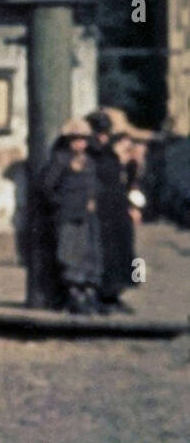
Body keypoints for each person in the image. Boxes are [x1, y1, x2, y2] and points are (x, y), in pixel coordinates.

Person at [40, 118, 101, 315]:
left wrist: (92, 199)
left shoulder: (90, 162)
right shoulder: (60, 160)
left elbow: (93, 184)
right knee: (69, 254)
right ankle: (72, 295)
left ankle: (87, 292)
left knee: (87, 253)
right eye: (75, 139)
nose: (79, 144)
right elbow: (47, 186)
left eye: (83, 139)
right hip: (67, 215)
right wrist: (61, 203)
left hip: (86, 216)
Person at [87, 109, 137, 315]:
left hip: (118, 210)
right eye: (98, 132)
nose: (102, 136)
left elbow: (122, 181)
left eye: (105, 132)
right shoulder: (89, 156)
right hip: (100, 212)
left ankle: (115, 295)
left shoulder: (110, 154)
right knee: (102, 255)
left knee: (122, 253)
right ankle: (100, 297)